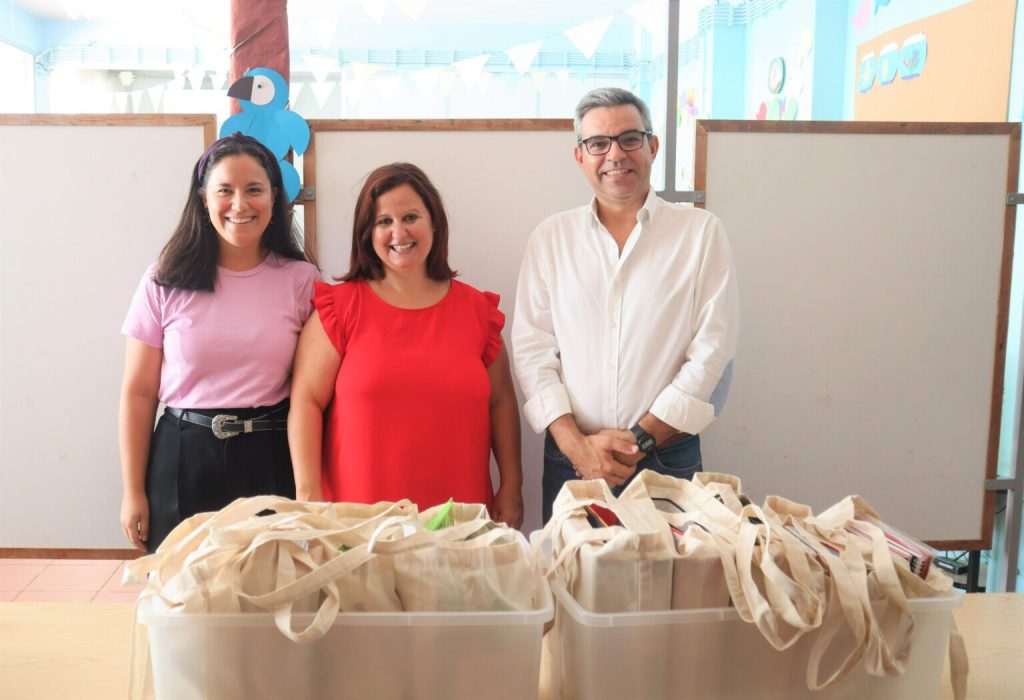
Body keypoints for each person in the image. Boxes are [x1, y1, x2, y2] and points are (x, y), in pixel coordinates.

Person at [512, 87, 739, 523]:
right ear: (580, 156)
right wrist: (577, 446)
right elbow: (532, 349)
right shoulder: (550, 238)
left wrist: (638, 443)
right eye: (598, 143)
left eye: (629, 139)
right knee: (569, 567)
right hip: (572, 457)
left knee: (675, 568)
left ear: (653, 146)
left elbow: (714, 351)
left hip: (666, 457)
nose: (615, 154)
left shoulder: (700, 233)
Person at [288, 163, 524, 528]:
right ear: (367, 233)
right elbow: (306, 401)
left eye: (411, 217)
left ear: (434, 223)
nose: (399, 232)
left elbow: (502, 403)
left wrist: (512, 486)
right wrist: (309, 498)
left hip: (460, 521)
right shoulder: (340, 309)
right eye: (384, 221)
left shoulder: (478, 312)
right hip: (359, 526)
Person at [119, 132, 320, 552]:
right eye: (225, 190)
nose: (240, 205)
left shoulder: (303, 281)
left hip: (271, 456)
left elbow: (316, 393)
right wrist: (132, 490)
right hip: (182, 456)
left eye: (254, 190)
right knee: (183, 587)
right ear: (203, 199)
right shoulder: (163, 279)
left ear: (274, 197)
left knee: (269, 585)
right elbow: (138, 392)